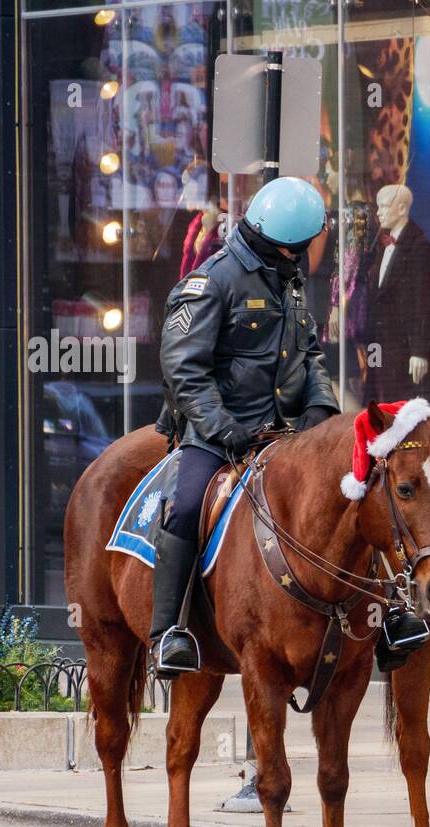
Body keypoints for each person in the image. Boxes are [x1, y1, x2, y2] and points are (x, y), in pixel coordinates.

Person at [150, 176, 339, 675]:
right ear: (280, 240)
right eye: (298, 247)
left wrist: (321, 407)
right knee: (187, 506)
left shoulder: (287, 278)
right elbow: (182, 367)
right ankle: (167, 632)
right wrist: (222, 426)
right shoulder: (212, 280)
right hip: (216, 435)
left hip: (284, 435)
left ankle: (376, 621)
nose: (301, 256)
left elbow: (310, 354)